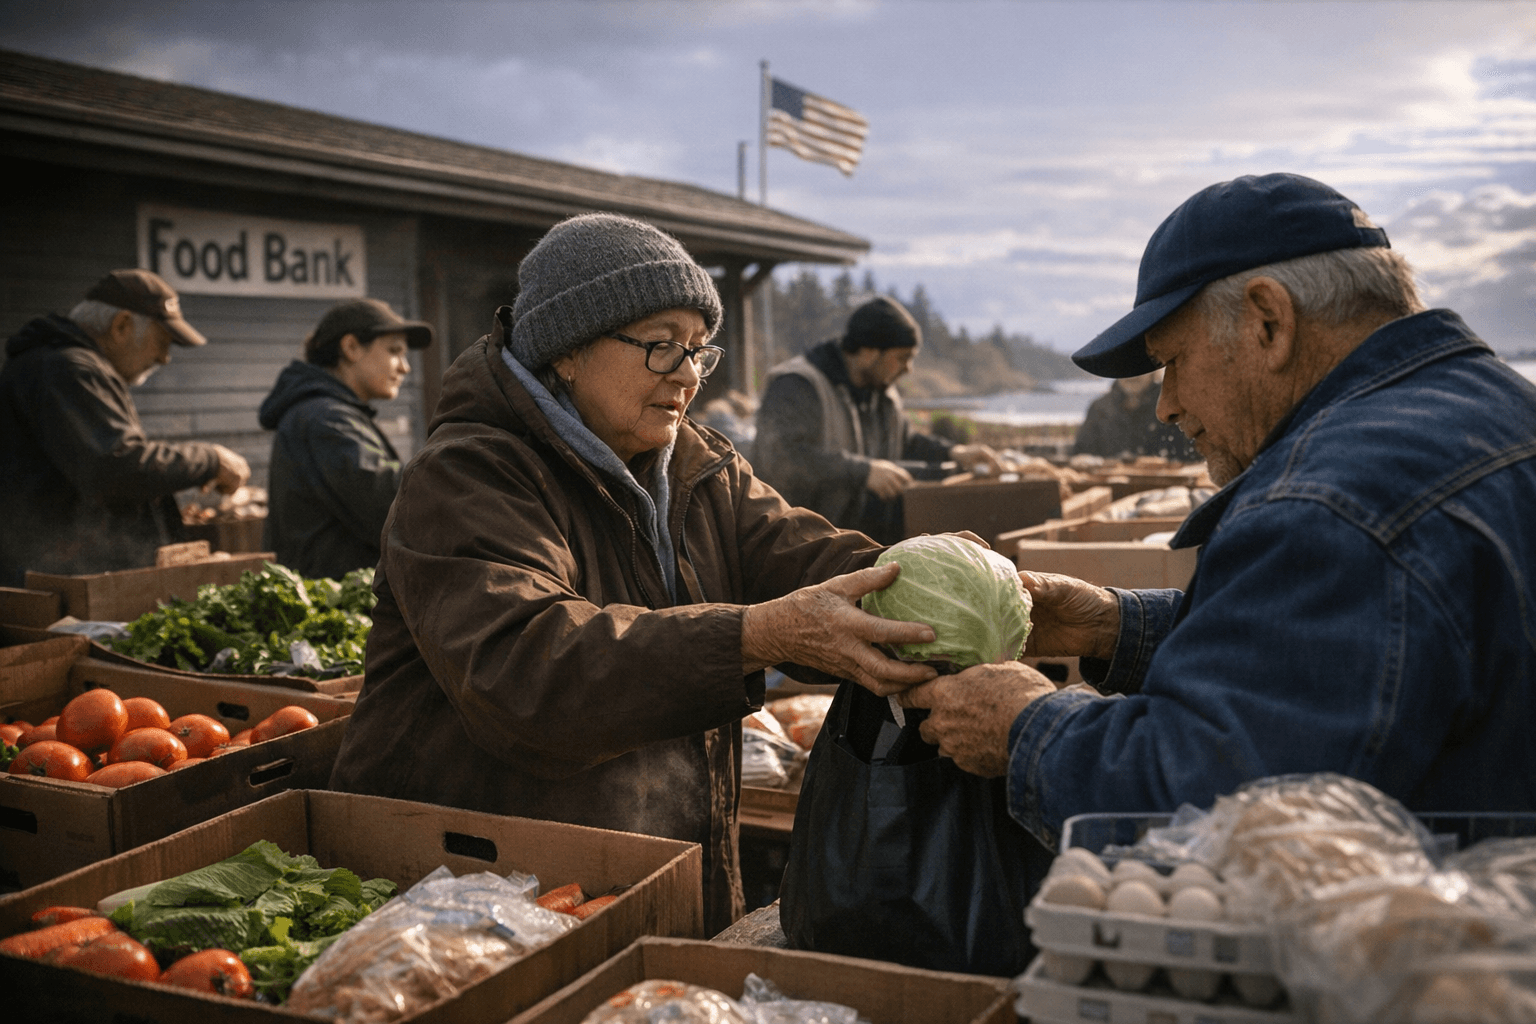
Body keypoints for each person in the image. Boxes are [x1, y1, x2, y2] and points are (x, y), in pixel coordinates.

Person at [327, 213, 943, 934]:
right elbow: (530, 669)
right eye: (660, 347)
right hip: (484, 896)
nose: (687, 376)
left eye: (697, 351)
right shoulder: (467, 475)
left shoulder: (697, 465)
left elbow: (804, 553)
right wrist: (757, 635)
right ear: (567, 352)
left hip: (647, 870)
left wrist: (949, 577)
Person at [900, 172, 1536, 846]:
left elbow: (1215, 803)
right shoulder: (1496, 411)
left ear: (1268, 319)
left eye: (1172, 360)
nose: (1165, 405)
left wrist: (1026, 727)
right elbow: (1358, 649)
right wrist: (1115, 628)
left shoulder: (1328, 502)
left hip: (1435, 940)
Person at [0, 269, 250, 586]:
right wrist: (209, 459)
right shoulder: (70, 368)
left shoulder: (63, 365)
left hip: (58, 572)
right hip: (59, 579)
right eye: (162, 341)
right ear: (121, 326)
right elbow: (116, 465)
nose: (165, 358)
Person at [752, 296, 1002, 544]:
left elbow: (905, 441)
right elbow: (782, 459)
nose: (909, 369)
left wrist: (955, 453)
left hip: (853, 541)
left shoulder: (882, 391)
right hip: (800, 542)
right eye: (903, 357)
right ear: (869, 352)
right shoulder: (797, 385)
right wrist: (864, 472)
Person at [259, 298, 433, 580]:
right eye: (394, 351)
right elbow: (391, 502)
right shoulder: (325, 419)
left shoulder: (329, 413)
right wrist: (458, 465)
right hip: (332, 604)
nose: (405, 367)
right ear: (351, 347)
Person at [1071, 368, 1198, 461]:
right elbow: (1081, 453)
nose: (1131, 375)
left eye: (1138, 367)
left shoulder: (1172, 407)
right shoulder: (1099, 408)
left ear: (1154, 369)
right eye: (1123, 366)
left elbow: (1193, 455)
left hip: (1167, 488)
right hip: (1109, 487)